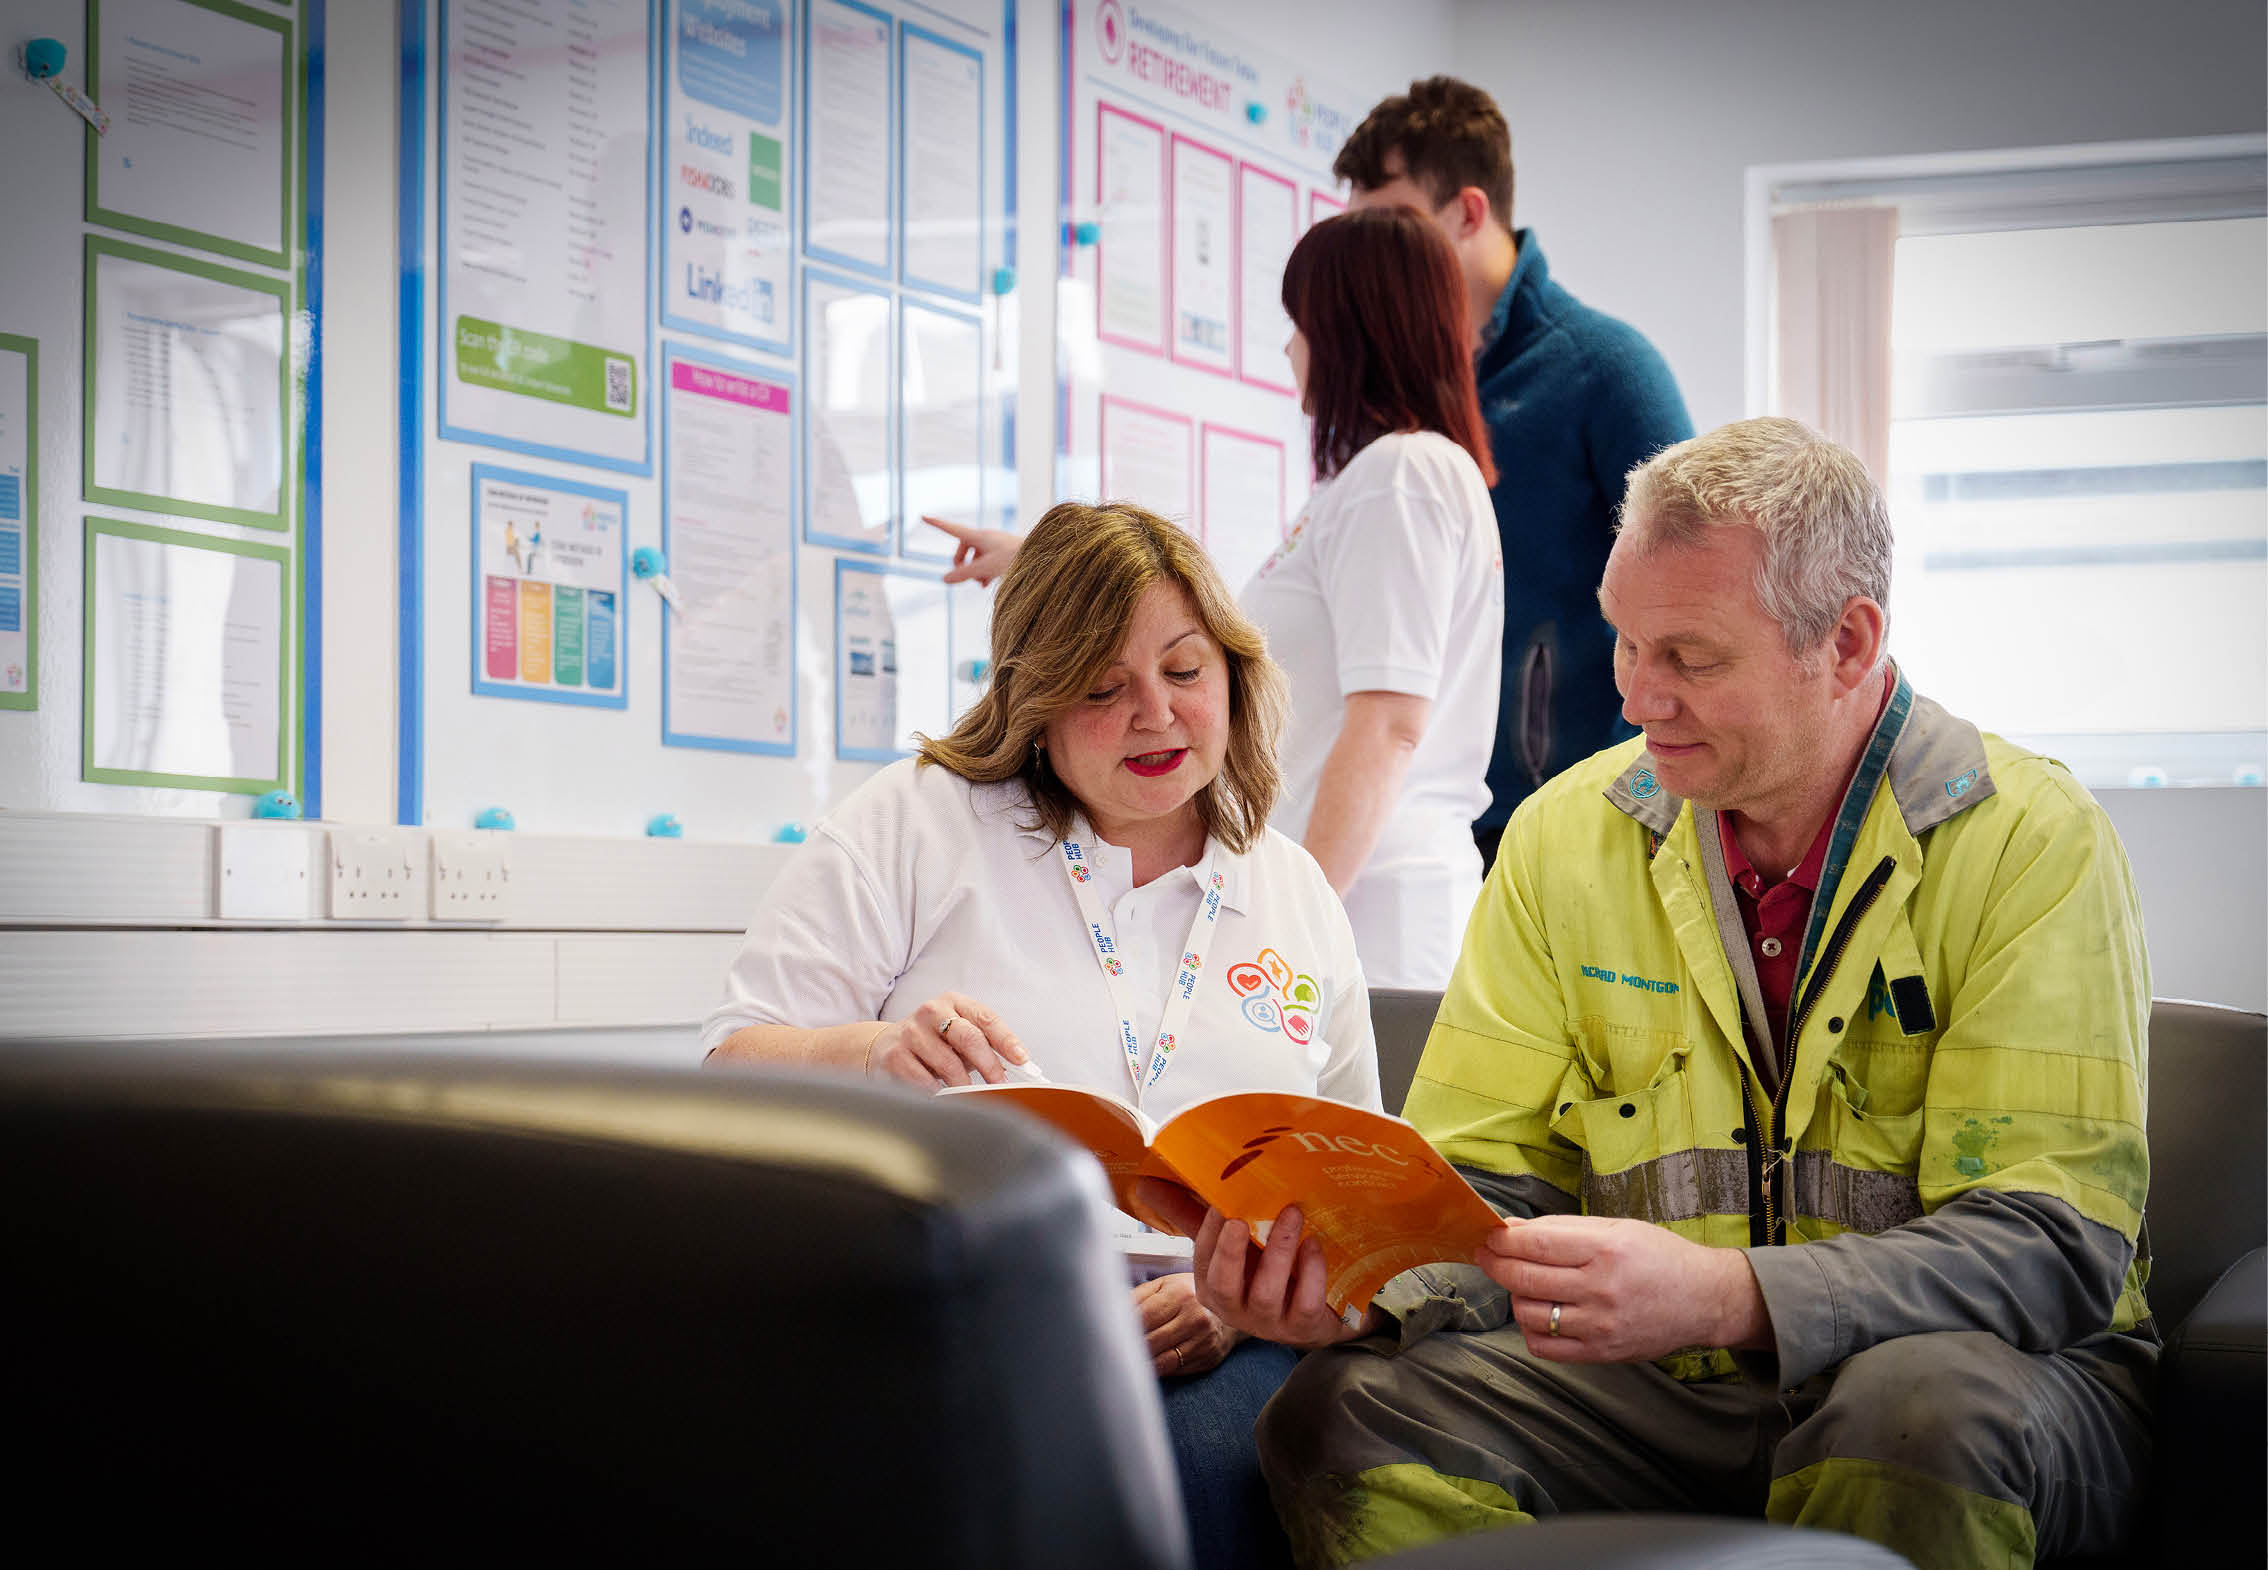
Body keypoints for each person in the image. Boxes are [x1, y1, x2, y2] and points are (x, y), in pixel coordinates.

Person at [1147, 419, 2154, 1569]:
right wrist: (1359, 1291)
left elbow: (2047, 1246)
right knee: (1345, 1411)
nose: (1635, 696)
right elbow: (1471, 1186)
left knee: (1913, 1410)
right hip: (1664, 1392)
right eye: (1626, 642)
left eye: (1691, 657)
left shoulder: (2031, 841)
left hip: (1986, 1382)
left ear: (1847, 642)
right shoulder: (1563, 838)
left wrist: (1734, 1296)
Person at [703, 500, 1381, 1570]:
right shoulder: (920, 821)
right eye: (1104, 687)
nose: (1156, 714)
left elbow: (1357, 1215)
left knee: (1226, 1465)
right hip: (966, 1297)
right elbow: (729, 1068)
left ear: (1236, 675)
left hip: (1221, 1330)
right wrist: (872, 1053)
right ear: (1036, 700)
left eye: (1185, 670)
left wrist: (1234, 1307)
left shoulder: (1292, 890)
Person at [930, 206, 1503, 991]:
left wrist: (1304, 919)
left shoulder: (1399, 477)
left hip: (1369, 903)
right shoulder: (1376, 483)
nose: (1289, 346)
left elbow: (1389, 726)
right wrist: (1044, 563)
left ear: (1350, 330)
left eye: (1301, 322)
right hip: (1352, 887)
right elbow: (1217, 630)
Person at [1335, 76, 1694, 872]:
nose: (1369, 262)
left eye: (1391, 226)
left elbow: (1697, 598)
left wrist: (1621, 814)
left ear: (1467, 212)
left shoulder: (1607, 370)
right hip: (1421, 834)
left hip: (1582, 832)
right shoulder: (1395, 398)